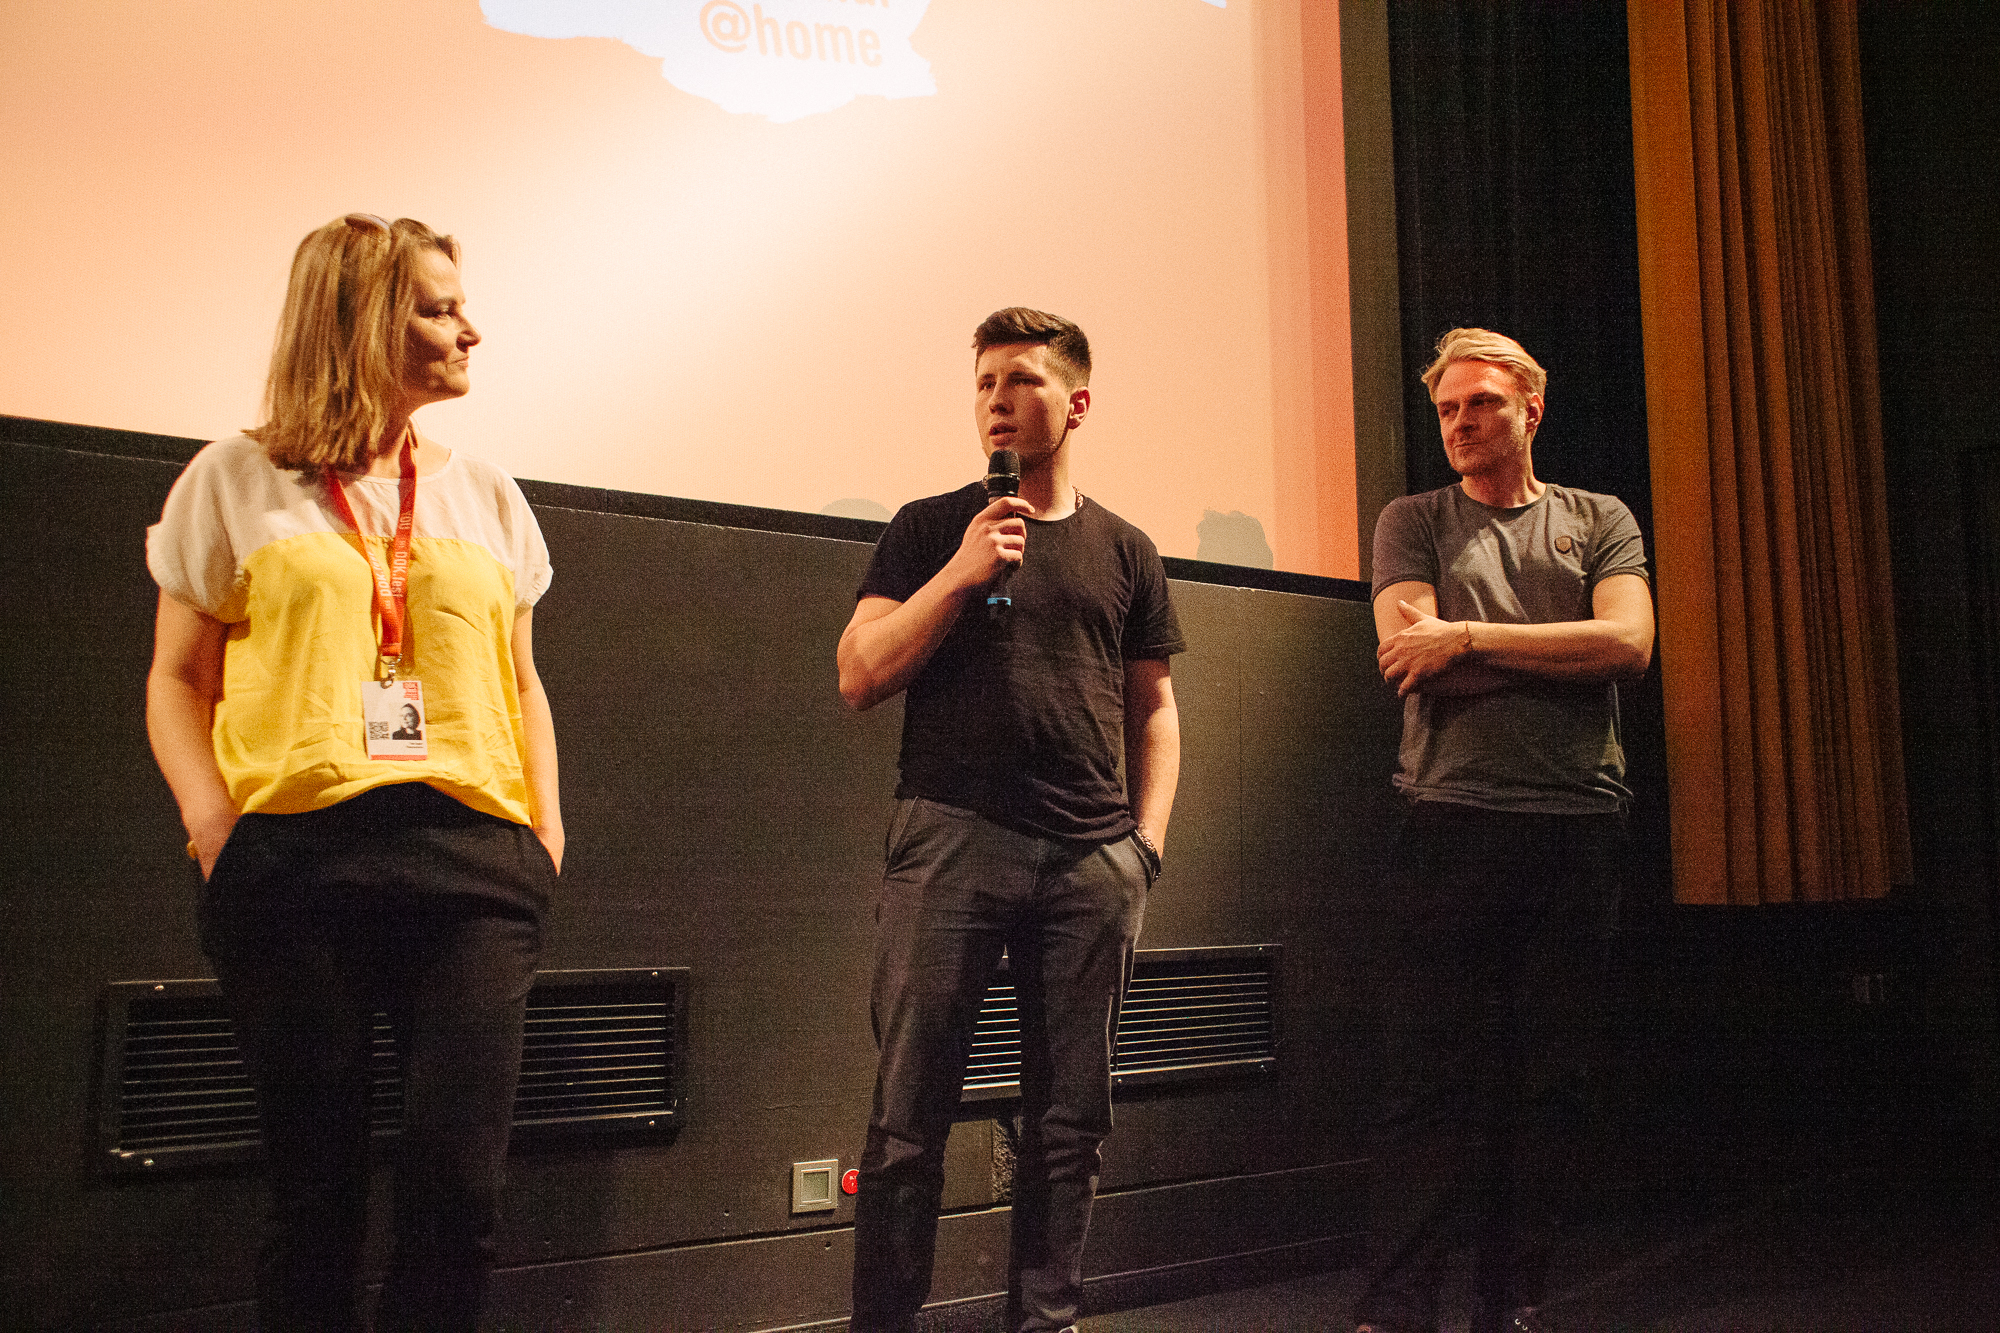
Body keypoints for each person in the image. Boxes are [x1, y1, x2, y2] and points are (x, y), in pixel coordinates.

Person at [145, 214, 562, 1333]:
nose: (470, 329)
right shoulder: (235, 479)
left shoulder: (486, 494)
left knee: (457, 1198)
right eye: (439, 307)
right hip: (295, 864)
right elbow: (175, 679)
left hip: (473, 861)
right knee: (315, 1201)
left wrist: (544, 834)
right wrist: (215, 828)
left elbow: (522, 680)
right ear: (366, 321)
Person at [837, 308, 1184, 1333]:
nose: (997, 398)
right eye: (985, 381)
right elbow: (858, 673)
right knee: (908, 1121)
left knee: (1069, 1126)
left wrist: (1143, 849)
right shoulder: (927, 527)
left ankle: (1046, 1321)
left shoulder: (1125, 549)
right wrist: (960, 571)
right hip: (952, 841)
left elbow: (1154, 709)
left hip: (1091, 861)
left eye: (1022, 379)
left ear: (1076, 403)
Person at [1356, 329, 1654, 1333]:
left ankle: (1511, 1298)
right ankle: (1396, 1307)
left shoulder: (1597, 518)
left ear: (1531, 408)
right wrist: (1556, 656)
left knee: (1548, 1082)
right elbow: (1409, 661)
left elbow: (1628, 643)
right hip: (1449, 821)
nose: (1459, 422)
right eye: (1446, 408)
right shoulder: (1413, 520)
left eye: (1480, 403)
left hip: (1576, 824)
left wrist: (1469, 637)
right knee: (1426, 1081)